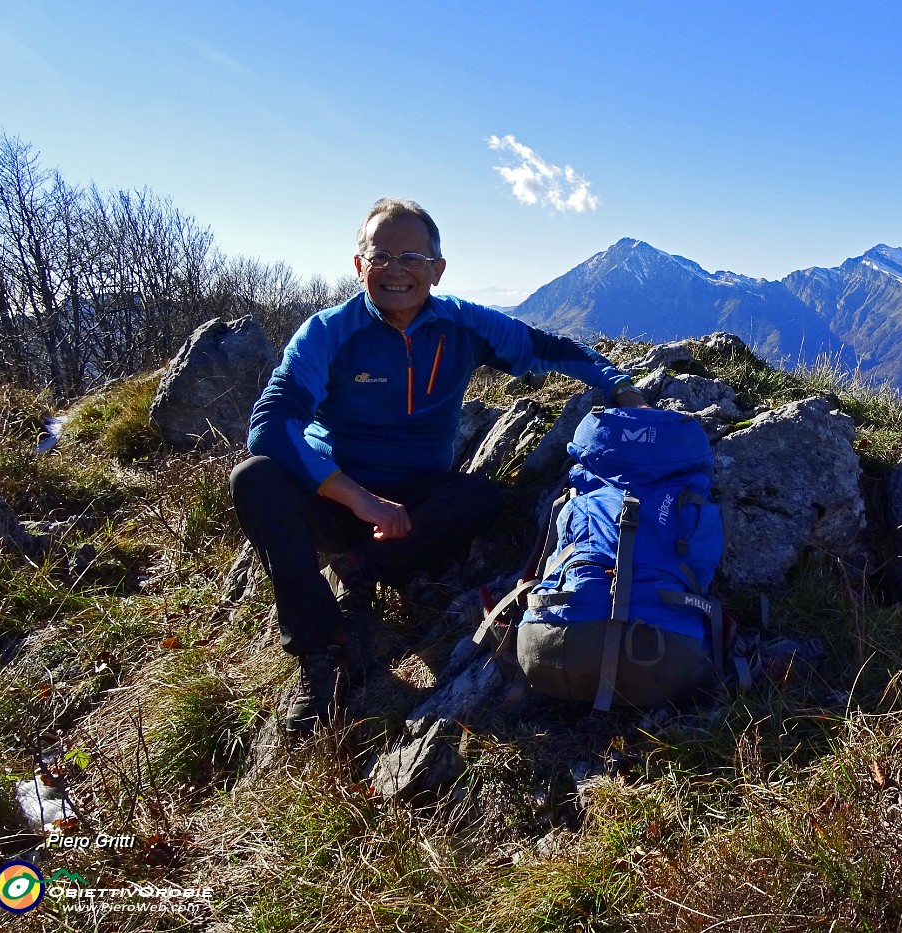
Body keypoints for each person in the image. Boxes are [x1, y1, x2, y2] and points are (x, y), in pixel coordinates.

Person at [230, 197, 646, 735]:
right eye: (380, 257)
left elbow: (545, 347)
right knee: (254, 479)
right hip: (336, 497)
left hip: (420, 497)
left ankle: (358, 570)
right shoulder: (328, 333)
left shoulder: (462, 326)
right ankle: (321, 649)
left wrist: (619, 386)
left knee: (487, 500)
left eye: (411, 257)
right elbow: (270, 425)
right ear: (359, 268)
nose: (396, 270)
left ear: (437, 269)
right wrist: (360, 498)